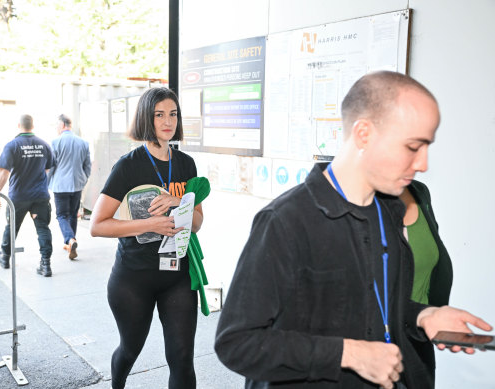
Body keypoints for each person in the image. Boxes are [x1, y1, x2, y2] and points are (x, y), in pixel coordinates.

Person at [214, 71, 492, 389]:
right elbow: (236, 343)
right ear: (363, 134)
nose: (423, 163)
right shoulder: (285, 221)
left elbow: (376, 308)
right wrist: (349, 354)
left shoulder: (389, 212)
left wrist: (423, 316)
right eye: (413, 146)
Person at [90, 87, 204, 389]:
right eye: (159, 115)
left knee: (182, 358)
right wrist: (148, 224)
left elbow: (197, 223)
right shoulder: (128, 166)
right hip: (133, 279)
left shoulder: (186, 164)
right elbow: (97, 225)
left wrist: (179, 203)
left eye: (173, 114)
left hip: (177, 275)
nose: (168, 121)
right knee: (130, 350)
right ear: (146, 119)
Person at [400, 181, 453, 386]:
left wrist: (436, 314)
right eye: (412, 148)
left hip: (418, 343)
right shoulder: (360, 200)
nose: (422, 163)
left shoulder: (419, 192)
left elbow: (434, 259)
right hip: (376, 347)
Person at [0, 114, 54, 277]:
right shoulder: (44, 145)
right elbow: (47, 170)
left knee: (12, 227)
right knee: (43, 228)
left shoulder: (12, 145)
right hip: (40, 195)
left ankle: (5, 257)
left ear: (18, 125)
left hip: (18, 196)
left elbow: (4, 173)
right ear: (32, 126)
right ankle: (45, 264)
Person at [48, 114, 91, 260]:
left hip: (60, 185)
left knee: (61, 215)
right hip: (77, 184)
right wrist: (83, 180)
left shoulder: (55, 142)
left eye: (57, 126)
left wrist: (47, 183)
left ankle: (69, 239)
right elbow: (87, 166)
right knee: (73, 215)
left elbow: (51, 166)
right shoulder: (83, 143)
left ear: (62, 125)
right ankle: (71, 242)